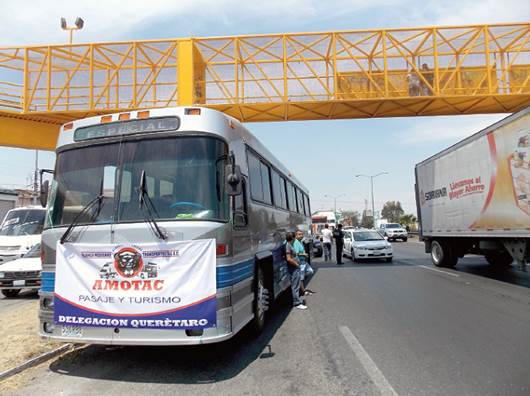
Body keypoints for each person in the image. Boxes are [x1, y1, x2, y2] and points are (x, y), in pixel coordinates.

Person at [285, 232, 307, 310]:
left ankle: (297, 300)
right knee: (295, 286)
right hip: (294, 268)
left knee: (296, 285)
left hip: (295, 268)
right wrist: (296, 264)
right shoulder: (288, 246)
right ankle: (297, 303)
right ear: (293, 238)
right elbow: (288, 258)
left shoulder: (290, 245)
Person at [294, 230, 314, 296]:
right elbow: (296, 253)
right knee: (301, 277)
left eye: (302, 234)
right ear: (296, 236)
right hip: (300, 262)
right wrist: (304, 254)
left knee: (310, 271)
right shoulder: (296, 242)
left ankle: (301, 287)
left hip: (304, 262)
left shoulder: (300, 242)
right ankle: (303, 291)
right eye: (299, 234)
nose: (301, 236)